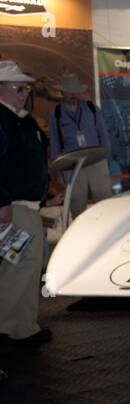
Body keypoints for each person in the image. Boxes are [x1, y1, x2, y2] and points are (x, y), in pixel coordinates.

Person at [0, 60, 52, 347]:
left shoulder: (22, 121)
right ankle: (14, 328)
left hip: (26, 205)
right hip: (14, 207)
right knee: (20, 264)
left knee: (24, 265)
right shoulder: (5, 121)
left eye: (26, 89)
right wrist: (3, 202)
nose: (23, 94)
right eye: (18, 88)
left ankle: (19, 325)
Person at [48, 72, 112, 216]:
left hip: (96, 160)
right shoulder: (56, 114)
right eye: (69, 92)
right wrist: (58, 173)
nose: (73, 96)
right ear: (62, 93)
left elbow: (103, 134)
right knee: (76, 203)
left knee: (104, 200)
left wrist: (106, 158)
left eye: (75, 92)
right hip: (72, 165)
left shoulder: (91, 109)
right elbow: (55, 142)